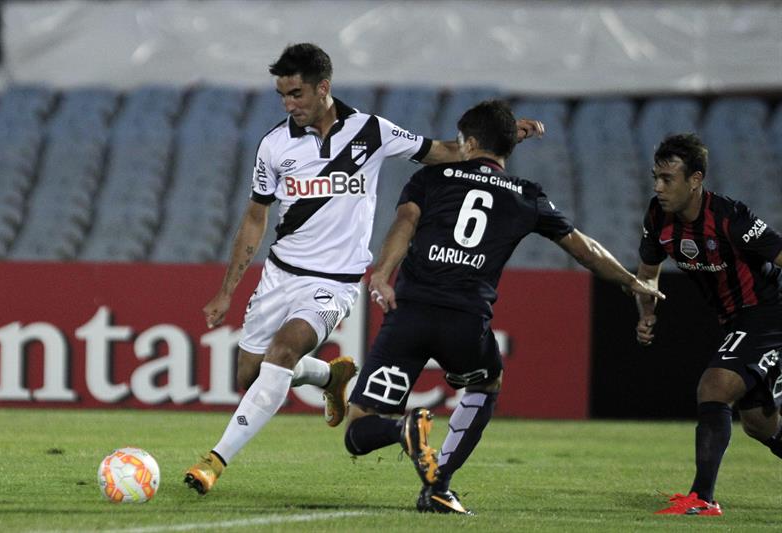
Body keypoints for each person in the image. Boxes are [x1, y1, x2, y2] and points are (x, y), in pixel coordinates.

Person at [183, 44, 546, 495]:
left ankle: (214, 461)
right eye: (281, 95)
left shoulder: (371, 132)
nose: (288, 104)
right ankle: (327, 375)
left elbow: (446, 151)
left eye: (296, 93)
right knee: (250, 376)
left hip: (333, 283)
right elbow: (256, 216)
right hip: (279, 274)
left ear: (324, 88)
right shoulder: (274, 145)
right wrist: (226, 291)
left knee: (282, 353)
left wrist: (504, 139)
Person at [342, 99, 666, 514]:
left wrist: (383, 274)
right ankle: (439, 486)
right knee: (485, 384)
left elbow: (404, 223)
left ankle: (402, 428)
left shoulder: (430, 178)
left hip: (410, 313)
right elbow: (584, 249)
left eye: (461, 141)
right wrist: (631, 280)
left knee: (358, 427)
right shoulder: (527, 196)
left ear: (470, 140)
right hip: (466, 323)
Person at [635, 133, 782, 516]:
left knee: (714, 385)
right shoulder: (657, 215)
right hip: (736, 319)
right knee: (759, 423)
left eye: (668, 179)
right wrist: (646, 312)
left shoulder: (730, 217)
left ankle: (702, 498)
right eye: (656, 177)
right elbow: (648, 274)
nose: (658, 187)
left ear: (696, 179)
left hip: (770, 312)